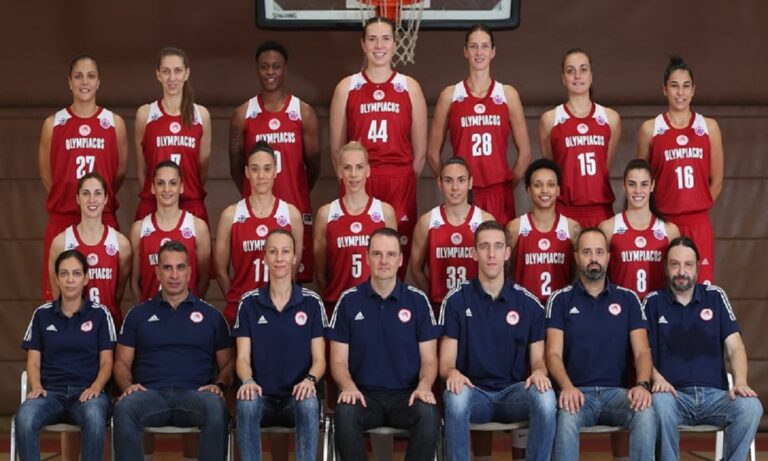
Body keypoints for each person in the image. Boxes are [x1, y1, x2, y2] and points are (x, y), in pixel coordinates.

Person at [439, 220, 556, 461]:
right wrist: (452, 373)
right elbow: (446, 364)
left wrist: (538, 372)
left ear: (507, 253)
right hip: (473, 393)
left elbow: (538, 361)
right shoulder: (456, 301)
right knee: (456, 398)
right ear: (474, 253)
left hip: (514, 395)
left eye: (498, 246)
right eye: (484, 247)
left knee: (545, 398)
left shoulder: (529, 304)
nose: (491, 254)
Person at [112, 241, 233, 461]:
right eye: (167, 268)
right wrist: (128, 386)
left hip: (195, 395)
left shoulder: (212, 316)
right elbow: (120, 363)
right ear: (157, 272)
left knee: (216, 406)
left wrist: (219, 385)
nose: (174, 275)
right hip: (150, 394)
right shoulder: (137, 315)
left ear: (189, 272)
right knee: (124, 407)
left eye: (180, 267)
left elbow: (228, 364)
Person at [328, 227, 441, 461]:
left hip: (407, 396)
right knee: (344, 413)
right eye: (377, 254)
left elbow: (430, 359)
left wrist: (424, 385)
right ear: (367, 257)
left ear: (400, 260)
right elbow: (337, 361)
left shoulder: (418, 301)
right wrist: (348, 386)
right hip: (363, 396)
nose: (383, 261)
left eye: (391, 254)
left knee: (428, 414)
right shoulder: (348, 301)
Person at [646, 237, 763, 461]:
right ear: (665, 268)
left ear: (698, 267)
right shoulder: (653, 302)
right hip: (673, 396)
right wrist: (656, 378)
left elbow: (735, 346)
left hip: (715, 397)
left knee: (751, 407)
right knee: (659, 403)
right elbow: (642, 351)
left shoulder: (715, 297)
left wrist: (740, 382)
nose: (682, 271)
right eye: (675, 264)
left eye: (688, 264)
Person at [545, 228, 656, 461]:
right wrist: (566, 387)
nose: (593, 258)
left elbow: (642, 351)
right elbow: (552, 354)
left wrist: (642, 385)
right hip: (576, 393)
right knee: (566, 418)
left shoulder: (628, 299)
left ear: (608, 257)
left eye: (599, 252)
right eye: (587, 252)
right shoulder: (560, 299)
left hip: (618, 394)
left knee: (645, 411)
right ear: (576, 257)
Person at [329, 16, 428, 275]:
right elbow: (337, 152)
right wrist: (353, 179)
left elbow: (419, 155)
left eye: (385, 39)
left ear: (395, 44)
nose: (379, 45)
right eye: (372, 39)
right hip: (359, 179)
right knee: (359, 253)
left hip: (399, 180)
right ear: (363, 44)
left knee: (395, 257)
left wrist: (403, 179)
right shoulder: (346, 87)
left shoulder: (409, 87)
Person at [229, 40, 320, 284]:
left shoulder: (303, 112)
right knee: (256, 279)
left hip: (294, 208)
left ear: (285, 69)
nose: (270, 71)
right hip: (257, 212)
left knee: (294, 280)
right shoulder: (243, 114)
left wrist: (295, 190)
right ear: (257, 69)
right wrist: (254, 193)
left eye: (276, 66)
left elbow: (314, 166)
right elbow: (236, 167)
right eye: (265, 66)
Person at [39, 54, 128, 300]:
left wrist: (95, 200)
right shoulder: (53, 124)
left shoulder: (114, 123)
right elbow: (47, 175)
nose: (84, 82)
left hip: (102, 218)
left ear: (99, 81)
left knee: (106, 296)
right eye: (78, 76)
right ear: (69, 82)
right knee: (58, 299)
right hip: (64, 217)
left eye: (90, 76)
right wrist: (69, 198)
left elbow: (119, 172)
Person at [233, 229, 327, 461]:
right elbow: (242, 358)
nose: (279, 258)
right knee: (246, 402)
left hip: (296, 398)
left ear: (295, 257)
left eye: (285, 252)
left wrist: (310, 380)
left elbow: (320, 360)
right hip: (261, 397)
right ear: (265, 257)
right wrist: (248, 381)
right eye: (273, 252)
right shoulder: (249, 303)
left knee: (308, 403)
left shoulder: (312, 302)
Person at [17, 249, 116, 461]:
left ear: (86, 279)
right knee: (25, 417)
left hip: (87, 393)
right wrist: (37, 387)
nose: (70, 280)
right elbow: (33, 362)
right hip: (50, 394)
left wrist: (96, 387)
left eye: (76, 273)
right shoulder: (42, 314)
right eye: (64, 274)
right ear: (57, 279)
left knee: (94, 417)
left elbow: (107, 362)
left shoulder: (100, 314)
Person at [427, 24, 532, 224]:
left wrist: (507, 186)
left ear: (493, 52)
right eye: (473, 46)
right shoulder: (450, 95)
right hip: (464, 194)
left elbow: (525, 154)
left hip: (499, 192)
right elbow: (432, 154)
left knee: (499, 244)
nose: (479, 52)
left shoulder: (507, 94)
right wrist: (453, 183)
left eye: (484, 46)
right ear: (465, 51)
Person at [637, 55, 724, 285]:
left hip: (698, 223)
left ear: (693, 90)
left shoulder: (709, 127)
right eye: (674, 86)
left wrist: (696, 205)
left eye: (686, 86)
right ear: (664, 89)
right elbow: (640, 179)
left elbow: (717, 180)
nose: (680, 92)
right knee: (663, 288)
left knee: (701, 289)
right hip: (664, 223)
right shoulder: (650, 129)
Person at [216, 141, 304, 326]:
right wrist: (237, 299)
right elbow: (221, 271)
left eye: (267, 169)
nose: (261, 176)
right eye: (255, 169)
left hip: (280, 308)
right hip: (241, 307)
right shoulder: (231, 215)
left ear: (275, 171)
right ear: (247, 172)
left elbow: (293, 268)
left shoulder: (291, 214)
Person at [539, 48, 620, 228]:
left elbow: (605, 166)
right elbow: (552, 169)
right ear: (563, 78)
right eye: (570, 71)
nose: (577, 76)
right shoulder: (550, 119)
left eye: (583, 69)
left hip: (601, 210)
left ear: (591, 76)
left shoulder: (610, 118)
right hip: (564, 211)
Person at [313, 141, 396, 309]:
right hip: (337, 304)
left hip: (376, 304)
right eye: (347, 168)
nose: (353, 174)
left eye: (359, 167)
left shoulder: (385, 212)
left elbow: (392, 265)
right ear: (339, 171)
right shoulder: (326, 214)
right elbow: (320, 272)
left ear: (368, 170)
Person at [135, 46, 212, 222]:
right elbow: (143, 170)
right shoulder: (145, 114)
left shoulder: (201, 115)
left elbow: (202, 170)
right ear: (158, 75)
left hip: (191, 203)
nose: (172, 78)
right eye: (166, 71)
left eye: (177, 71)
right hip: (153, 204)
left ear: (187, 73)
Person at [48, 173, 131, 329]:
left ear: (106, 199)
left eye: (98, 193)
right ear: (78, 198)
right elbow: (57, 293)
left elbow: (117, 294)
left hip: (108, 327)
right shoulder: (61, 243)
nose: (92, 199)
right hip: (72, 328)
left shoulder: (121, 244)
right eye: (86, 193)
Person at [411, 156, 492, 313]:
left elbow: (494, 267)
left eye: (461, 180)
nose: (455, 187)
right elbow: (416, 270)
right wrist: (432, 297)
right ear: (440, 183)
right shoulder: (427, 222)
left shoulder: (485, 220)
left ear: (470, 183)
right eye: (448, 181)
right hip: (439, 307)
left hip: (477, 306)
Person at [130, 161, 210, 302]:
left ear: (181, 187)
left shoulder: (198, 227)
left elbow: (203, 280)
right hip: (151, 312)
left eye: (173, 183)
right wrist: (144, 311)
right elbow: (134, 282)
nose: (166, 189)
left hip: (187, 312)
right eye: (160, 183)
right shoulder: (139, 229)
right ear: (153, 188)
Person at [598, 159, 680, 298]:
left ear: (652, 186)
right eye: (632, 184)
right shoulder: (608, 228)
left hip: (656, 308)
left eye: (644, 184)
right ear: (624, 185)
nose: (637, 191)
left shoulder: (670, 230)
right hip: (620, 306)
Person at [507, 159, 580, 304]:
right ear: (528, 190)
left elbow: (577, 276)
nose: (545, 190)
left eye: (551, 185)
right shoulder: (515, 227)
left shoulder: (572, 228)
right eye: (538, 185)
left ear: (558, 190)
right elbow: (506, 273)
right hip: (524, 308)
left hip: (561, 308)